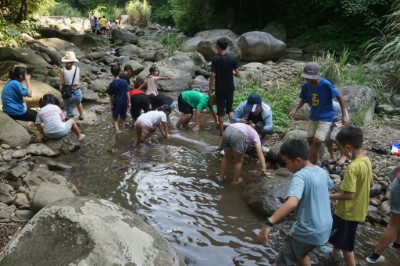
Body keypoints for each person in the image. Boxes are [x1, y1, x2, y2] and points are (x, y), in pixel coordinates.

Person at [256, 139, 333, 266]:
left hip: (308, 231)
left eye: (286, 163)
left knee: (282, 262)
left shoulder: (300, 176)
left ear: (298, 160)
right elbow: (329, 186)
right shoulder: (321, 171)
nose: (286, 167)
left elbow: (292, 203)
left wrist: (268, 224)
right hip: (325, 229)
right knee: (300, 251)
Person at [326, 125, 373, 266]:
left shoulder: (353, 167)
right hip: (358, 210)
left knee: (347, 246)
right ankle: (335, 253)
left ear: (347, 147)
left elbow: (349, 195)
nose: (339, 150)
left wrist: (330, 196)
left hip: (347, 212)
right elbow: (369, 184)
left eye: (339, 147)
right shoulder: (366, 161)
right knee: (340, 235)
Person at [289, 62, 348, 166]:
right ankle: (317, 160)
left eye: (312, 79)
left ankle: (305, 163)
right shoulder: (306, 85)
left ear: (317, 76)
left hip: (326, 116)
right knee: (310, 139)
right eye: (307, 78)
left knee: (318, 141)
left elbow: (339, 97)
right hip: (313, 116)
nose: (310, 81)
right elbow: (303, 99)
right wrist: (295, 110)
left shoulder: (326, 84)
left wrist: (344, 115)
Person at [366, 166, 400, 263]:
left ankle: (397, 245)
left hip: (398, 185)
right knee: (394, 225)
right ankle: (374, 257)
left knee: (395, 222)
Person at [208, 37, 240, 136]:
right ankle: (234, 130)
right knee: (230, 109)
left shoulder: (215, 59)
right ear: (226, 47)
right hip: (230, 88)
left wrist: (209, 89)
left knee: (220, 110)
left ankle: (222, 132)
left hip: (220, 89)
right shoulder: (233, 58)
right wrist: (232, 73)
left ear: (218, 46)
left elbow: (213, 75)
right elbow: (238, 74)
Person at [324, 101, 349, 173]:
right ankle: (333, 157)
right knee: (326, 137)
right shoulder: (314, 104)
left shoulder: (330, 104)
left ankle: (344, 156)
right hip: (329, 119)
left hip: (340, 117)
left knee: (335, 136)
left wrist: (344, 117)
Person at [60, 51, 84, 120]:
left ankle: (71, 117)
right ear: (73, 61)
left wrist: (61, 87)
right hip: (78, 92)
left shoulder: (62, 70)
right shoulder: (77, 69)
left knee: (68, 105)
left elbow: (62, 83)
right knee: (79, 103)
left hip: (68, 93)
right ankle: (81, 115)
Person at [108, 64, 131, 133]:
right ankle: (123, 129)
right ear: (119, 72)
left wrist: (111, 104)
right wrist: (129, 102)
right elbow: (128, 92)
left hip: (116, 102)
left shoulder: (112, 84)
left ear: (112, 73)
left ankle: (117, 130)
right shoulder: (124, 82)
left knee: (115, 118)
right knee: (123, 117)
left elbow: (111, 96)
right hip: (124, 101)